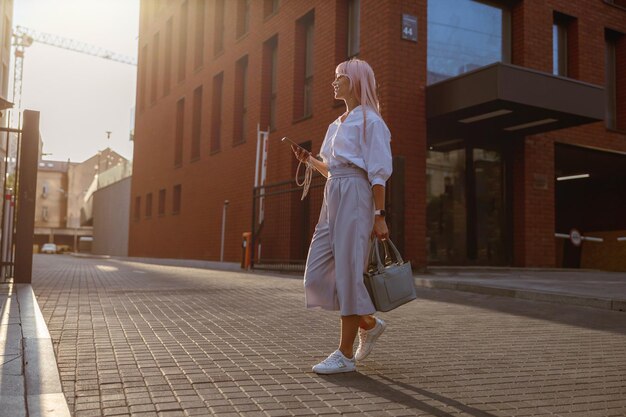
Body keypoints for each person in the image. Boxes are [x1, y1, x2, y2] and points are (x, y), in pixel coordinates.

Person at [291, 58, 393, 374]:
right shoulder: (336, 125)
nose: (333, 82)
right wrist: (310, 161)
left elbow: (378, 173)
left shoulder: (371, 122)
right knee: (317, 273)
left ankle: (345, 354)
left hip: (357, 196)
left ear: (355, 80)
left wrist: (379, 215)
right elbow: (333, 168)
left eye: (339, 77)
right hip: (334, 193)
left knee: (349, 273)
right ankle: (369, 323)